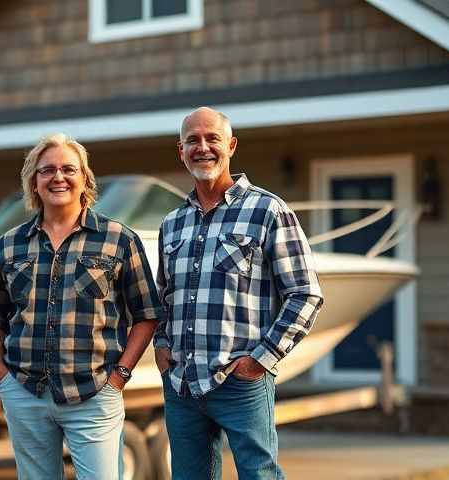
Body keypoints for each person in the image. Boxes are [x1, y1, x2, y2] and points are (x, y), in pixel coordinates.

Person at [0, 133, 163, 479]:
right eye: (47, 170)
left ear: (84, 179)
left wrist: (120, 376)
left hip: (94, 393)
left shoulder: (119, 239)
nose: (58, 177)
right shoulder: (9, 245)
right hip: (26, 393)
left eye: (68, 169)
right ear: (34, 181)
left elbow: (147, 314)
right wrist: (3, 379)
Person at [154, 107, 324, 480]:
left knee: (259, 476)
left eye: (212, 138)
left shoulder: (268, 210)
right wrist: (163, 348)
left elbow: (305, 295)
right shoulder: (172, 223)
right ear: (180, 151)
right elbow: (163, 297)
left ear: (230, 145)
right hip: (182, 385)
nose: (203, 148)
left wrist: (259, 361)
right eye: (192, 141)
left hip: (240, 382)